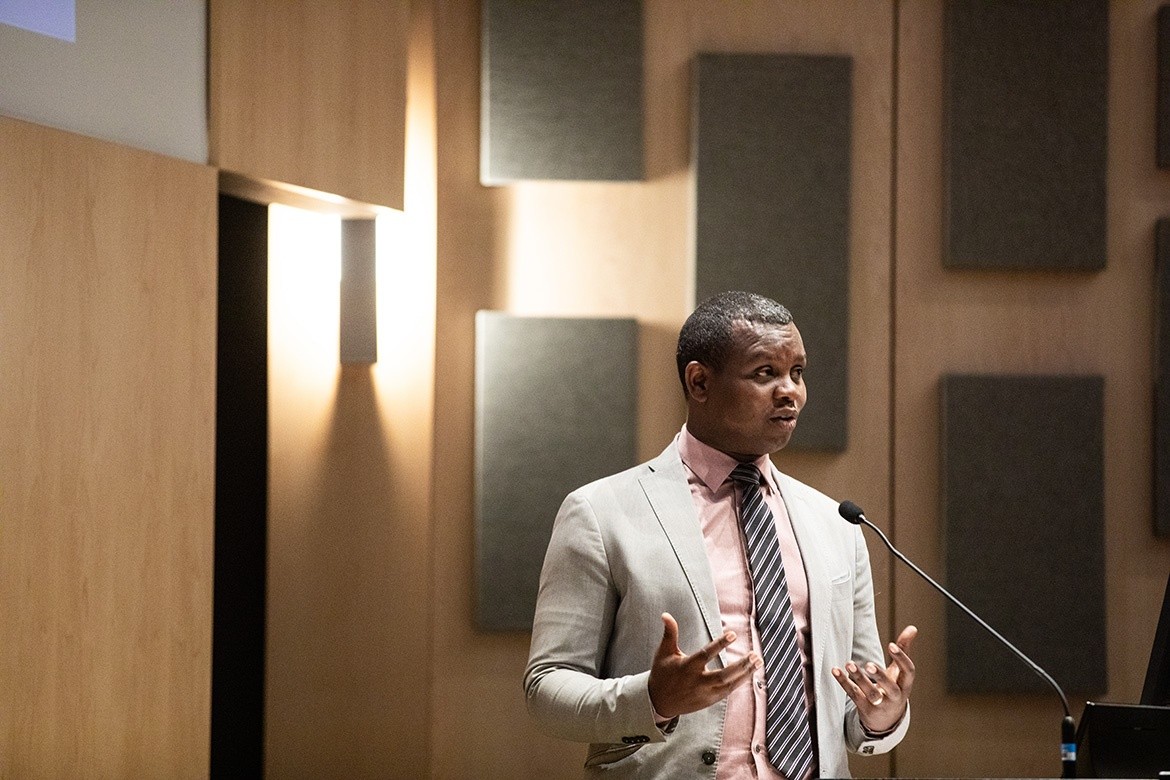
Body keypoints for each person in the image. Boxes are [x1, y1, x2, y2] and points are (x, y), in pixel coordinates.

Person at [524, 291, 917, 779]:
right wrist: (652, 698)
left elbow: (859, 711)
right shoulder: (601, 513)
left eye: (798, 372)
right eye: (764, 373)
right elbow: (547, 688)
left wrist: (883, 716)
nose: (790, 391)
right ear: (700, 381)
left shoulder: (835, 523)